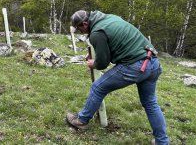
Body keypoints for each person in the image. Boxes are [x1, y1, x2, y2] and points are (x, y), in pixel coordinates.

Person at [66, 10, 169, 145]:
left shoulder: (96, 33)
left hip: (135, 66)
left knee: (98, 87)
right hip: (152, 61)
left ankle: (81, 121)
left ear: (85, 23)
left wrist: (94, 63)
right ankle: (162, 142)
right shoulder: (110, 17)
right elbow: (113, 42)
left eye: (79, 28)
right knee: (150, 103)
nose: (80, 32)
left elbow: (102, 64)